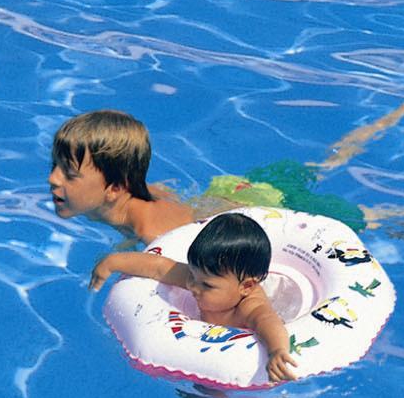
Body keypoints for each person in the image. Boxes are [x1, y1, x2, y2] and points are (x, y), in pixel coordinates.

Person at [91, 211, 299, 383]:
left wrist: (277, 351)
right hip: (199, 348)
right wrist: (112, 262)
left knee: (205, 393)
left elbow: (268, 321)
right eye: (191, 275)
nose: (192, 286)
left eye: (206, 285)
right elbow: (158, 267)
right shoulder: (202, 277)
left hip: (231, 367)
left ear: (246, 286)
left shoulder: (249, 307)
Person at [47, 108, 197, 243]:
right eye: (55, 164)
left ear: (115, 189)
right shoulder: (117, 195)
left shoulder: (154, 235)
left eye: (70, 174)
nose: (52, 178)